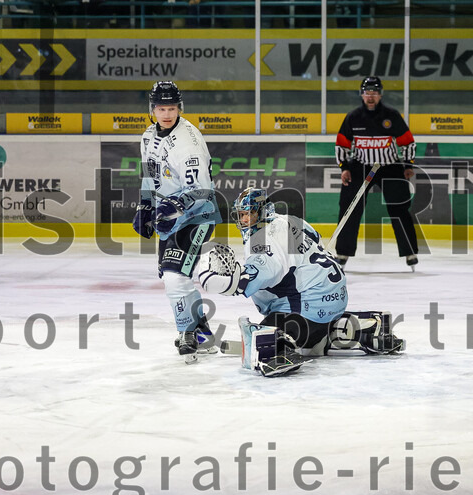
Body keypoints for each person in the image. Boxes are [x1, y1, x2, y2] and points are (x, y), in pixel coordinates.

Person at [197, 187, 405, 377]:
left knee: (267, 331)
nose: (244, 220)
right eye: (241, 215)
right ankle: (360, 328)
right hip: (335, 297)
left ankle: (280, 348)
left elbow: (253, 279)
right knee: (310, 331)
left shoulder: (262, 238)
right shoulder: (291, 220)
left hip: (309, 308)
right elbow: (317, 238)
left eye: (249, 214)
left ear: (263, 211)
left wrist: (219, 281)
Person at [133, 81, 221, 363]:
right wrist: (146, 203)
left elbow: (202, 191)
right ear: (153, 109)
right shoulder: (147, 136)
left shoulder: (188, 142)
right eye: (161, 108)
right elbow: (150, 174)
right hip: (167, 217)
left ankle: (187, 332)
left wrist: (175, 204)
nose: (167, 113)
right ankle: (204, 334)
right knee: (173, 277)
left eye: (172, 108)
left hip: (196, 215)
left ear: (179, 108)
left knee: (174, 276)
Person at [333, 76, 419, 270]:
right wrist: (344, 168)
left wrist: (407, 165)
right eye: (367, 93)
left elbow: (407, 141)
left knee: (400, 208)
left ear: (380, 94)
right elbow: (342, 144)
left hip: (389, 167)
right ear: (361, 95)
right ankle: (343, 252)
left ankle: (410, 252)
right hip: (361, 166)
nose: (370, 96)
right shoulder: (353, 117)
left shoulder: (392, 116)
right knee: (350, 207)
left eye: (374, 93)